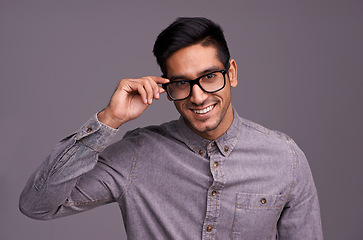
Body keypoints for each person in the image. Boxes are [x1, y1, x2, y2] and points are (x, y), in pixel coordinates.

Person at [19, 17, 323, 239]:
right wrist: (109, 119)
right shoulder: (137, 154)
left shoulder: (285, 159)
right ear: (166, 86)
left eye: (209, 77)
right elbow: (37, 205)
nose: (198, 96)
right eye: (182, 83)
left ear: (231, 73)